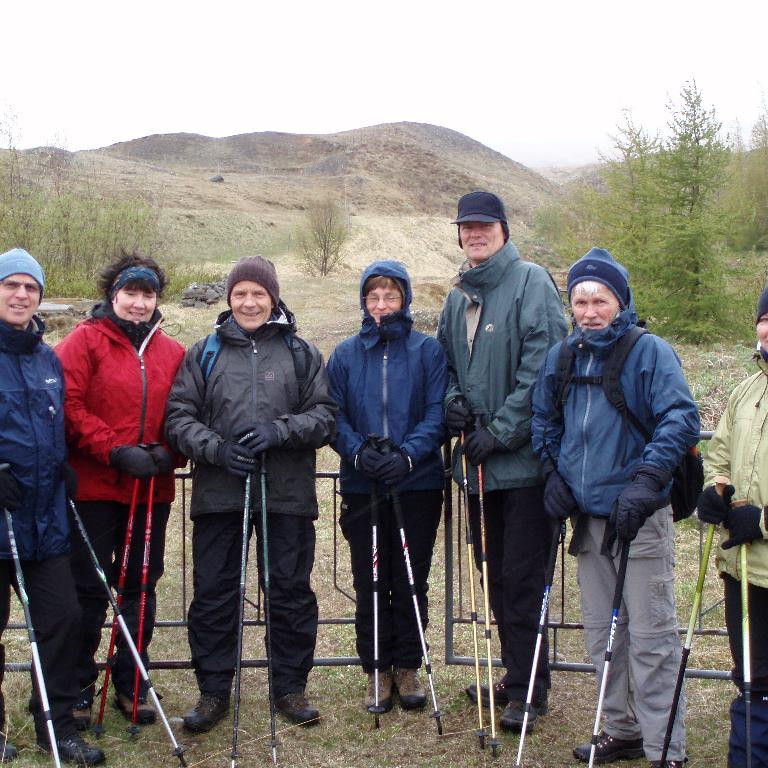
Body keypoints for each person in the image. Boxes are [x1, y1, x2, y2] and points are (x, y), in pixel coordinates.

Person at [531, 247, 699, 768]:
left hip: (640, 518)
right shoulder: (563, 357)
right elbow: (544, 422)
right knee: (602, 636)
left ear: (619, 301)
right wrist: (552, 474)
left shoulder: (650, 353)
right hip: (590, 523)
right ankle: (620, 730)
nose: (588, 310)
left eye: (599, 299)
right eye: (579, 300)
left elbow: (680, 418)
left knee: (651, 636)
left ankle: (663, 746)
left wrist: (647, 480)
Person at [165, 255, 336, 732]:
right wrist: (216, 449)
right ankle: (214, 690)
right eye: (240, 293)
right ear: (229, 299)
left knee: (288, 592)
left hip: (285, 493)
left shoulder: (302, 353)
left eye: (258, 293)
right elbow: (179, 417)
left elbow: (324, 417)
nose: (249, 302)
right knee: (216, 594)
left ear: (273, 297)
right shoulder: (205, 353)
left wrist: (280, 431)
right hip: (220, 493)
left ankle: (290, 687)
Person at [436, 190, 568, 731]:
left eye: (485, 225)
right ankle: (514, 673)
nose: (475, 234)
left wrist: (502, 430)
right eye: (467, 227)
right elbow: (444, 367)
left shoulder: (532, 283)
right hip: (478, 470)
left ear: (504, 230)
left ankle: (527, 690)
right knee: (493, 576)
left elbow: (543, 365)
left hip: (524, 471)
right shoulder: (456, 299)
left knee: (522, 578)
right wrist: (453, 406)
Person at [55, 250, 185, 728]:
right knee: (87, 589)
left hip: (151, 488)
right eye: (130, 292)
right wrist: (114, 450)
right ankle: (78, 683)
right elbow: (68, 407)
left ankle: (132, 678)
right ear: (113, 295)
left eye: (147, 293)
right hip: (95, 488)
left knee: (140, 586)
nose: (138, 302)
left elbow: (185, 413)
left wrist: (171, 453)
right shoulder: (84, 342)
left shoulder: (172, 352)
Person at [327, 260, 447, 712]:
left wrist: (408, 454)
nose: (381, 305)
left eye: (390, 296)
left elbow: (436, 411)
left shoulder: (427, 351)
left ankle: (408, 665)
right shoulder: (343, 354)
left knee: (410, 578)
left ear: (405, 299)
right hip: (363, 484)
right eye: (373, 297)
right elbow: (332, 415)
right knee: (371, 578)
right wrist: (359, 452)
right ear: (363, 301)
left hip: (416, 484)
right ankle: (376, 668)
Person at [0, 248, 104, 764]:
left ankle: (56, 724)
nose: (21, 295)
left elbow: (55, 426)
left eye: (30, 287)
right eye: (11, 285)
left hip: (45, 522)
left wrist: (61, 465)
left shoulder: (46, 359)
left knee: (62, 620)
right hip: (1, 522)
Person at [697, 285, 768, 768]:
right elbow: (718, 448)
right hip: (744, 564)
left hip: (756, 540)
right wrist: (716, 485)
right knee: (751, 675)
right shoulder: (748, 390)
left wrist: (762, 519)